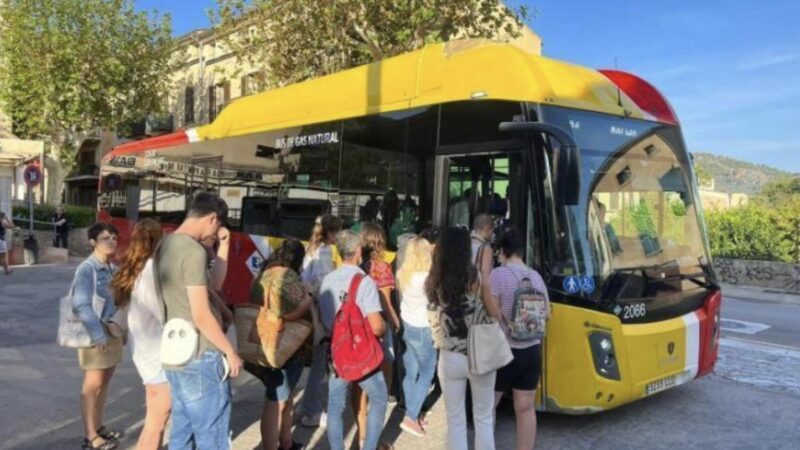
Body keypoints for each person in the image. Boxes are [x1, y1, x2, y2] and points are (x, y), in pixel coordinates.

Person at [155, 191, 242, 450]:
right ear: (212, 218)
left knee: (182, 433)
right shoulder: (193, 251)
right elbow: (201, 314)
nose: (215, 236)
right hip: (202, 355)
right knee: (212, 436)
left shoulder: (166, 244)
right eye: (216, 230)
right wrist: (230, 352)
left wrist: (222, 246)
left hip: (175, 354)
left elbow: (212, 284)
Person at [426, 227, 497, 450]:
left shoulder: (433, 281)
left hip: (449, 357)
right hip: (479, 354)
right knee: (483, 420)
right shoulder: (475, 277)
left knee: (455, 422)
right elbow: (490, 312)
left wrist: (441, 342)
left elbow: (433, 321)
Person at [318, 230, 389, 450]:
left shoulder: (327, 280)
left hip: (337, 352)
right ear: (358, 251)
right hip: (360, 352)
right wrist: (385, 328)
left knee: (335, 406)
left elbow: (325, 318)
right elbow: (376, 326)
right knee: (379, 398)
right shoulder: (364, 282)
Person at [487, 227, 550, 450]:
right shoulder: (536, 277)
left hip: (504, 350)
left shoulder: (498, 275)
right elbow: (548, 314)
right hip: (531, 350)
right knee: (525, 408)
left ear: (503, 252)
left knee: (489, 406)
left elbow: (491, 311)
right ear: (521, 252)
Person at [110, 219, 169, 450]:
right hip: (158, 351)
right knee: (157, 420)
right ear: (158, 239)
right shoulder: (152, 269)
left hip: (143, 349)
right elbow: (161, 312)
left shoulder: (133, 267)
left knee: (154, 418)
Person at [249, 239, 313, 450]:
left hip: (265, 342)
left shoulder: (263, 275)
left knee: (285, 396)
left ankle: (286, 442)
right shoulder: (288, 277)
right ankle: (272, 446)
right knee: (276, 400)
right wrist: (308, 297)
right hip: (285, 345)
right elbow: (292, 312)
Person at [72, 222, 124, 450]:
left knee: (104, 383)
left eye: (114, 237)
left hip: (111, 332)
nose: (111, 241)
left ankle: (99, 426)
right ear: (93, 242)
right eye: (105, 238)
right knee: (91, 386)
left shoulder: (111, 267)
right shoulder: (87, 268)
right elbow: (81, 304)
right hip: (95, 335)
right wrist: (98, 335)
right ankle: (90, 437)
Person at [352, 222, 399, 446]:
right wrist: (395, 321)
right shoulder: (382, 267)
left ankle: (361, 436)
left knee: (359, 382)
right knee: (383, 378)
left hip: (357, 327)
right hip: (377, 325)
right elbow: (386, 302)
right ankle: (374, 437)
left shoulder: (355, 265)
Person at [298, 214, 342, 428]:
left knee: (317, 363)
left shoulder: (313, 247)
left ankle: (307, 404)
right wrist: (329, 320)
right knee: (318, 365)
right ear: (332, 232)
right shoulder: (324, 251)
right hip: (319, 313)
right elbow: (324, 287)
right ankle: (312, 411)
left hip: (310, 308)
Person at [397, 237, 437, 437]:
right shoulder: (428, 277)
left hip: (407, 325)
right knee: (427, 373)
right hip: (423, 328)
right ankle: (411, 417)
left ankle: (412, 410)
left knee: (410, 372)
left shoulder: (403, 273)